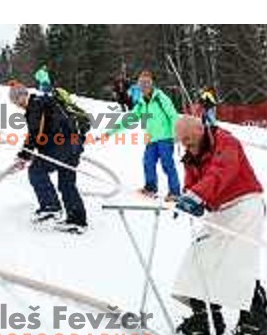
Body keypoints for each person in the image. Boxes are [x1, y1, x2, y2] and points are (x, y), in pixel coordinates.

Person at [172, 115, 267, 335]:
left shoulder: (225, 142)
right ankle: (206, 319)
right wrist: (188, 197)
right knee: (199, 258)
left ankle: (258, 331)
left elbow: (221, 171)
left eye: (188, 139)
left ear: (200, 129)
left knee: (237, 263)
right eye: (182, 142)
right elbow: (192, 181)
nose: (186, 145)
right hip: (219, 210)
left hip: (244, 205)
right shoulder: (190, 153)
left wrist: (198, 195)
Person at [9, 83, 88, 234]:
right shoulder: (47, 102)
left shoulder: (35, 105)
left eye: (16, 100)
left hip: (61, 146)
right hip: (74, 145)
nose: (17, 105)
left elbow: (35, 133)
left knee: (36, 171)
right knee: (67, 183)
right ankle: (77, 221)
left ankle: (50, 206)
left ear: (21, 96)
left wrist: (24, 155)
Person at [105, 70, 181, 201]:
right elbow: (128, 120)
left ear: (152, 84)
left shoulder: (160, 98)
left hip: (165, 138)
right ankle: (150, 188)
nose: (144, 86)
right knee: (148, 162)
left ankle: (175, 192)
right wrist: (110, 132)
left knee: (167, 164)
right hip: (151, 139)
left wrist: (176, 133)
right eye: (141, 83)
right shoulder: (141, 102)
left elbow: (173, 115)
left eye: (147, 82)